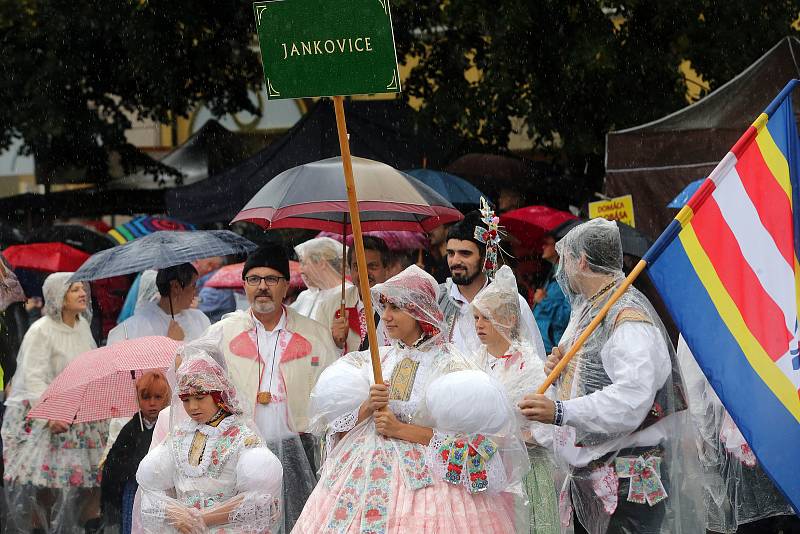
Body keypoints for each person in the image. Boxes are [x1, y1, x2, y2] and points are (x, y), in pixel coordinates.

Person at [294, 265, 529, 532]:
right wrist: (366, 406)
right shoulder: (377, 359)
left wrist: (401, 430)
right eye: (385, 308)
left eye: (396, 308)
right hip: (363, 468)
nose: (388, 317)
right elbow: (334, 429)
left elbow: (470, 443)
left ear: (419, 312)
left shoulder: (450, 365)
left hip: (433, 482)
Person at [519, 218, 702, 534]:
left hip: (629, 474)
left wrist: (562, 412)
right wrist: (560, 371)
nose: (561, 272)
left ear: (582, 261)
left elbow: (632, 399)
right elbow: (582, 379)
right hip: (594, 471)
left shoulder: (627, 318)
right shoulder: (590, 310)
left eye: (565, 260)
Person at [207, 243, 337, 533]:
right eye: (254, 279)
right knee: (243, 524)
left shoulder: (315, 334)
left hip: (298, 447)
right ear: (244, 286)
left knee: (297, 522)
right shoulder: (221, 333)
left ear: (286, 286)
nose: (262, 287)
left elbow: (331, 395)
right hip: (237, 448)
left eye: (271, 279)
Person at [136, 334, 283, 533]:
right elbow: (150, 491)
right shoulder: (178, 436)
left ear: (218, 395)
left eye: (200, 397)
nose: (192, 407)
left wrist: (204, 518)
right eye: (186, 400)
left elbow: (260, 500)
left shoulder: (241, 436)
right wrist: (179, 516)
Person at [2, 272, 107, 532]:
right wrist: (50, 414)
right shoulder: (41, 331)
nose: (82, 294)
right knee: (46, 487)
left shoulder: (82, 326)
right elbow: (32, 378)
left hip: (78, 417)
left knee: (78, 487)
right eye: (74, 290)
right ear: (57, 296)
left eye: (83, 288)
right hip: (49, 420)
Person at [677, 337, 800, 534]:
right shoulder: (708, 307)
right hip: (737, 437)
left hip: (784, 423)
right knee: (753, 515)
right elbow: (691, 381)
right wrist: (701, 438)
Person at [472, 265, 559, 534]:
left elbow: (548, 427)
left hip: (525, 472)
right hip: (485, 469)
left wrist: (510, 438)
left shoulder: (531, 368)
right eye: (475, 318)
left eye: (485, 318)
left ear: (508, 319)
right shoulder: (476, 361)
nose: (478, 325)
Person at [438, 209, 544, 358]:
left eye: (465, 253)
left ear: (485, 256)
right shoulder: (437, 300)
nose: (455, 261)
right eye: (450, 253)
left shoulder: (510, 302)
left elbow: (534, 360)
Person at [101, 371, 170, 534]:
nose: (152, 403)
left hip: (164, 492)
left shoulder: (171, 425)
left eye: (158, 397)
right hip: (135, 491)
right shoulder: (131, 429)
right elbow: (114, 465)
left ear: (166, 398)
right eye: (146, 397)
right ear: (138, 399)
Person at [107, 263, 210, 344]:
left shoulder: (199, 319)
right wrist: (170, 344)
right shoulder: (133, 328)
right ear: (176, 287)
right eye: (193, 285)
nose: (196, 291)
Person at [292, 237, 361, 353]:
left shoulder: (348, 294)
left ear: (321, 263)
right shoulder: (306, 296)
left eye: (304, 263)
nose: (301, 270)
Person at [330, 235, 392, 352]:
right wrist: (337, 344)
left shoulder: (401, 305)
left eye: (372, 266)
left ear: (387, 269)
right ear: (350, 270)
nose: (364, 273)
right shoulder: (329, 306)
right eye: (357, 267)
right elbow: (321, 356)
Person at [533, 233, 571, 354]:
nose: (543, 247)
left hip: (552, 349)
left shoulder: (567, 279)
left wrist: (543, 301)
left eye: (547, 243)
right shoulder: (552, 276)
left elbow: (566, 317)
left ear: (558, 246)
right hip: (541, 346)